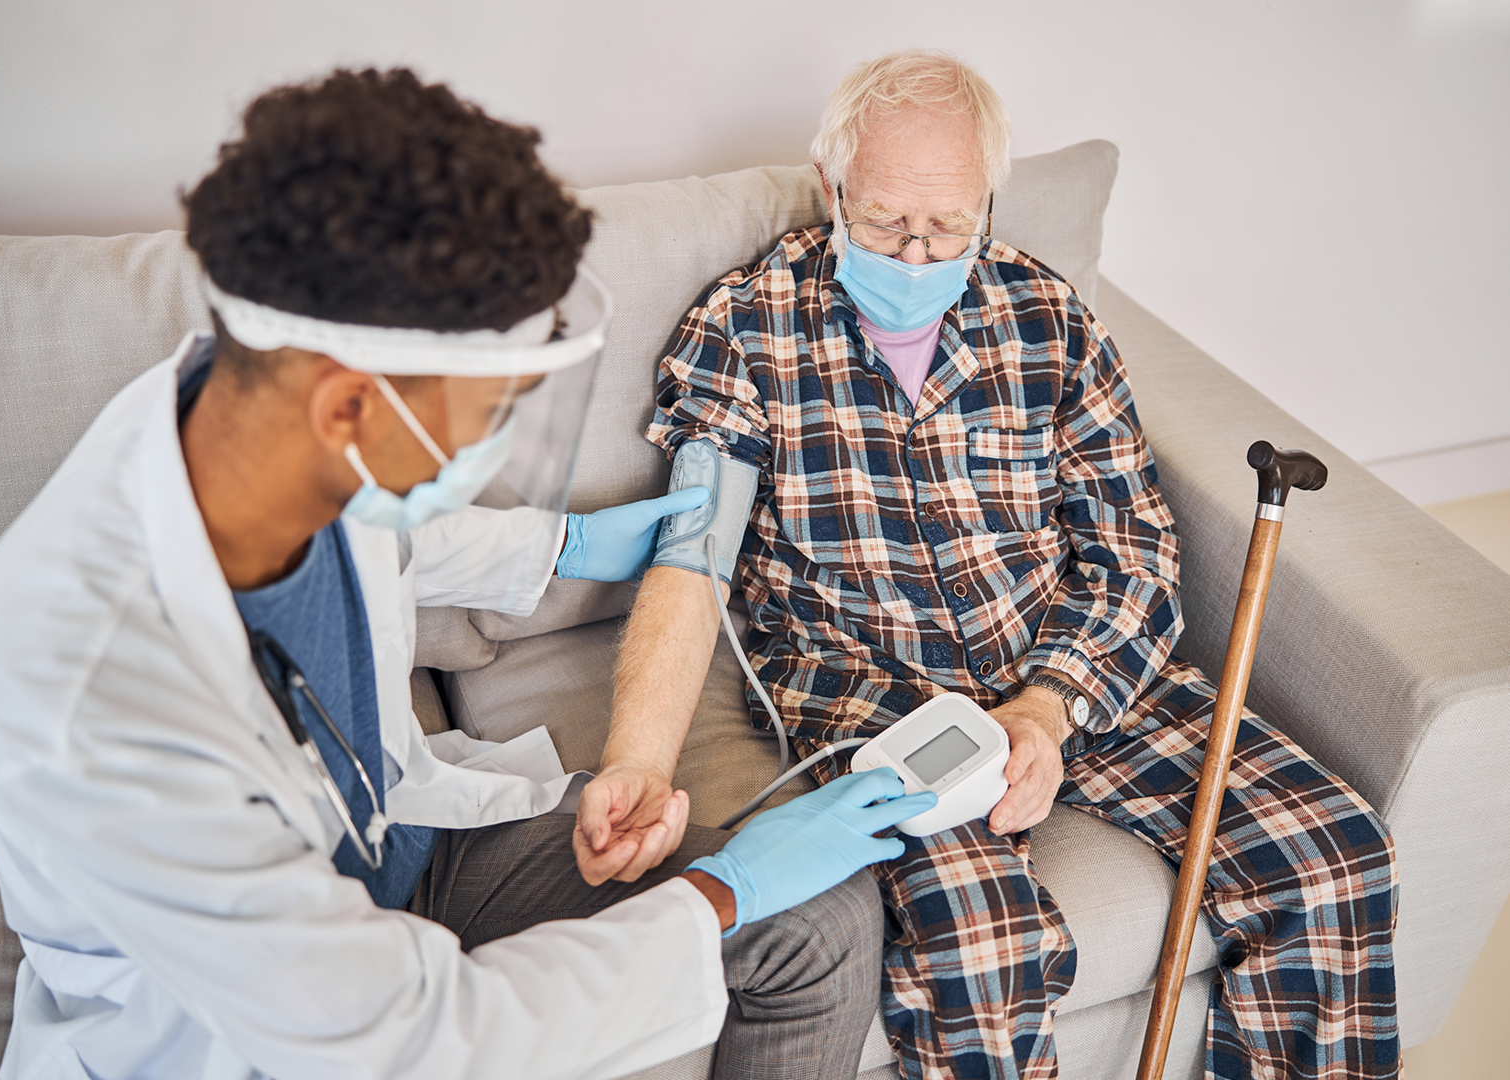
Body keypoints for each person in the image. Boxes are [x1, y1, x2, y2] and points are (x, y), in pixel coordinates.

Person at [0, 68, 941, 1080]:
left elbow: (390, 536)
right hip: (255, 1032)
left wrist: (564, 548)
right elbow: (403, 1037)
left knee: (818, 914)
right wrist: (721, 893)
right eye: (492, 410)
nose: (500, 443)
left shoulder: (248, 419)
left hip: (405, 847)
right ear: (346, 410)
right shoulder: (87, 700)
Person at [575, 49, 1402, 1080]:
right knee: (978, 942)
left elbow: (1134, 546)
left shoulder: (1046, 316)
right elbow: (688, 562)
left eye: (948, 225)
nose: (916, 255)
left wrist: (1050, 706)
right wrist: (640, 763)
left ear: (987, 203)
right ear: (831, 189)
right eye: (883, 222)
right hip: (872, 694)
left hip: (1070, 666)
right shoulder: (745, 326)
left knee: (1334, 855)